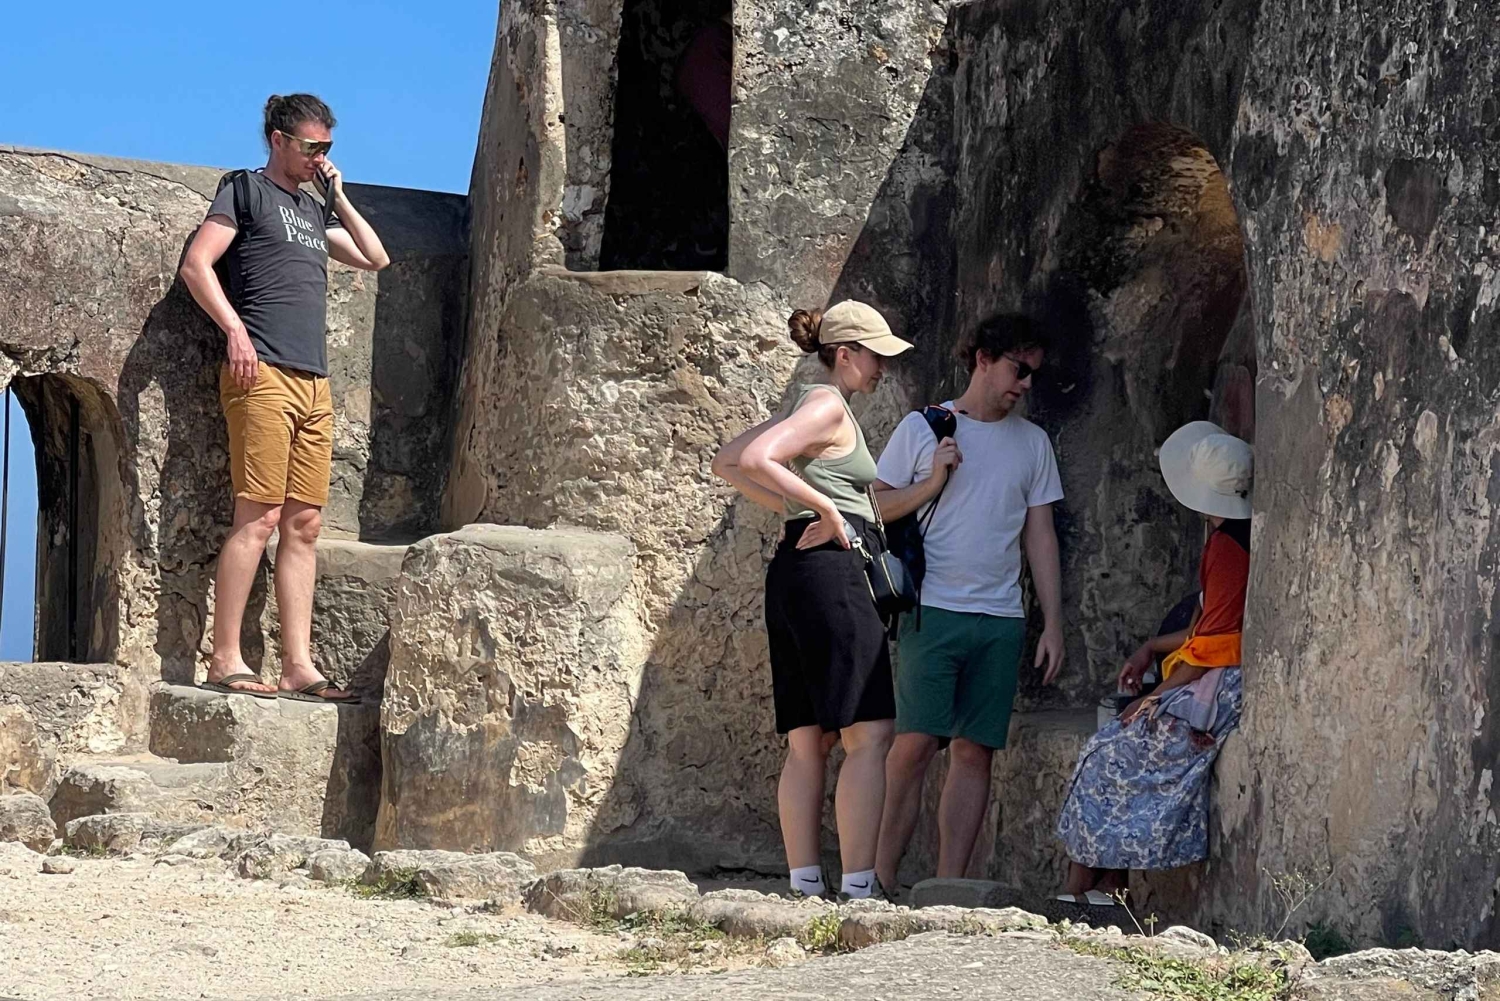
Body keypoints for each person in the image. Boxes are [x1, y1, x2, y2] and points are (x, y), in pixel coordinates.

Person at [179, 94, 390, 702]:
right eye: (311, 147)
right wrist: (235, 331)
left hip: (313, 380)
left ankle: (299, 665)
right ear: (278, 139)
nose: (319, 157)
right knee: (259, 516)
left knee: (305, 524)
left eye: (327, 148)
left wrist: (338, 196)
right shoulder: (245, 191)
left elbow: (376, 257)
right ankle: (225, 658)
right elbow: (197, 266)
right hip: (262, 373)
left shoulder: (312, 207)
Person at [711, 301, 913, 900]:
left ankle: (804, 886)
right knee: (869, 735)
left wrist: (797, 509)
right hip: (832, 576)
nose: (882, 368)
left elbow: (727, 461)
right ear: (844, 355)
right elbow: (753, 460)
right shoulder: (826, 405)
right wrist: (827, 510)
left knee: (806, 741)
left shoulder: (807, 404)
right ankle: (859, 891)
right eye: (875, 356)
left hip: (794, 573)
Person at [872, 313, 1065, 896]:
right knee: (913, 746)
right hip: (931, 609)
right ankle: (876, 880)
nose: (1025, 384)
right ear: (983, 359)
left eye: (1032, 374)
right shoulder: (923, 427)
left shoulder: (1033, 443)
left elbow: (1040, 535)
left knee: (975, 751)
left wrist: (1053, 623)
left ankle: (950, 889)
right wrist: (931, 482)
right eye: (1019, 369)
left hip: (1001, 618)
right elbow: (875, 507)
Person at [1054, 421, 1253, 905]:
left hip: (1215, 686)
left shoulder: (1228, 549)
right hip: (1207, 674)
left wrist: (1155, 697)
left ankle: (1086, 890)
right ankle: (1104, 887)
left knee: (1107, 751)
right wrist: (1151, 647)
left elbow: (1213, 647)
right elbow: (1204, 630)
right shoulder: (1229, 541)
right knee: (1114, 747)